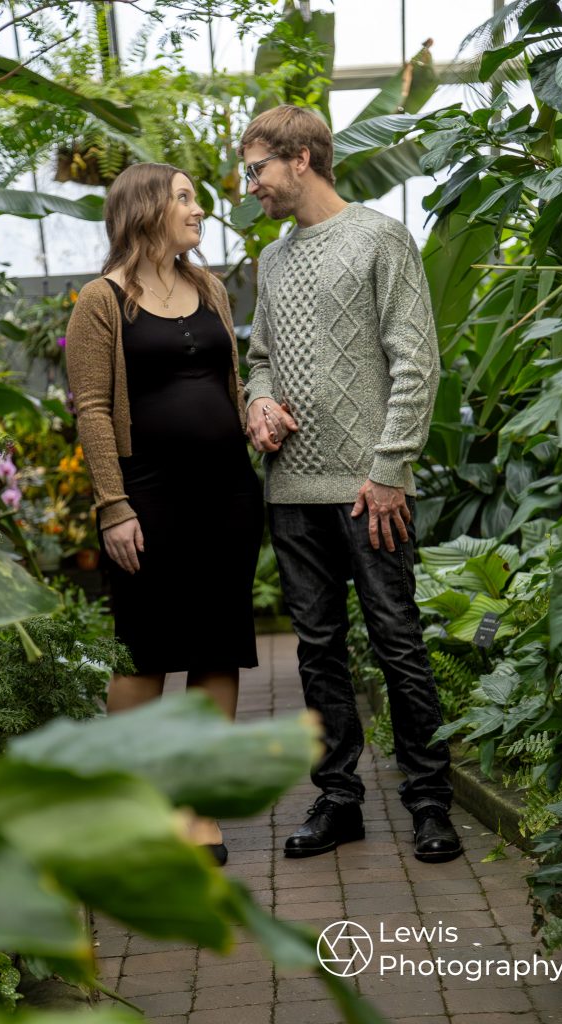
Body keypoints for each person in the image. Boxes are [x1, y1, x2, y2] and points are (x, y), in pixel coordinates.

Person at [239, 105, 462, 863]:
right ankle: (340, 800)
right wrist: (257, 399)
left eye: (256, 169)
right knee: (317, 650)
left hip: (370, 490)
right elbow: (260, 356)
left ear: (301, 159)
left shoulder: (377, 237)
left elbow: (415, 360)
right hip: (291, 491)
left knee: (398, 642)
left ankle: (431, 803)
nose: (250, 186)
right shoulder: (272, 259)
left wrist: (389, 468)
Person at [66, 162, 263, 866]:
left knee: (218, 647)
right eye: (183, 198)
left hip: (228, 494)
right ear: (145, 209)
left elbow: (229, 383)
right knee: (145, 650)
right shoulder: (102, 300)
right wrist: (113, 506)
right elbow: (90, 407)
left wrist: (254, 423)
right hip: (145, 497)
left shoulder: (208, 287)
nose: (197, 210)